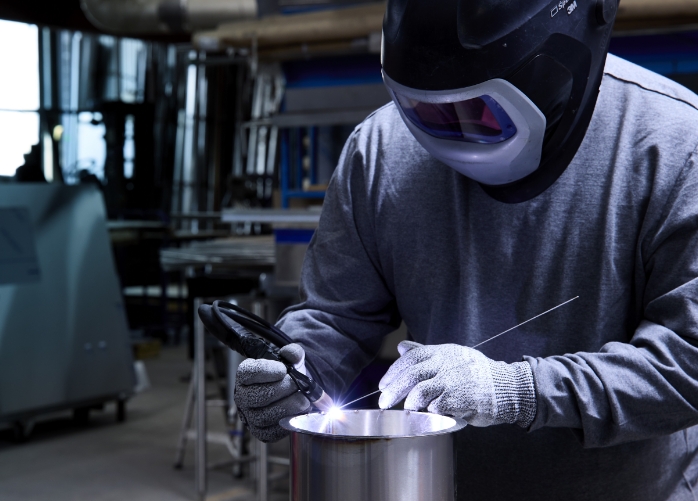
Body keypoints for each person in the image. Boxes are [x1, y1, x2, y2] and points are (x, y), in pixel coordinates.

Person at [234, 0, 698, 498]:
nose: (453, 130)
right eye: (425, 111)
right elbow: (334, 315)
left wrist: (518, 392)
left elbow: (687, 362)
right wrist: (294, 372)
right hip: (444, 485)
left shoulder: (675, 146)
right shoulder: (379, 150)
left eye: (480, 111)